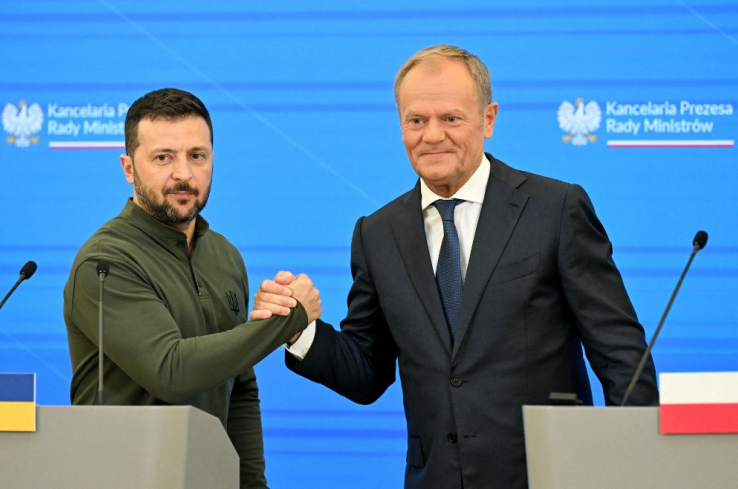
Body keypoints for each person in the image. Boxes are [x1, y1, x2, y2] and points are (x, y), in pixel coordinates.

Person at [251, 45, 658, 489]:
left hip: (548, 473)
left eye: (450, 118)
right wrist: (299, 330)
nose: (432, 136)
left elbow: (620, 354)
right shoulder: (378, 232)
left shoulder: (555, 209)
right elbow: (367, 370)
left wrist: (636, 463)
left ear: (488, 119)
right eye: (416, 120)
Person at [63, 88, 320, 489]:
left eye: (196, 156)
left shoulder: (225, 256)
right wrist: (289, 321)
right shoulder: (105, 261)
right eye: (163, 157)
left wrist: (252, 485)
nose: (183, 173)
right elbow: (172, 370)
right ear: (129, 168)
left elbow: (240, 390)